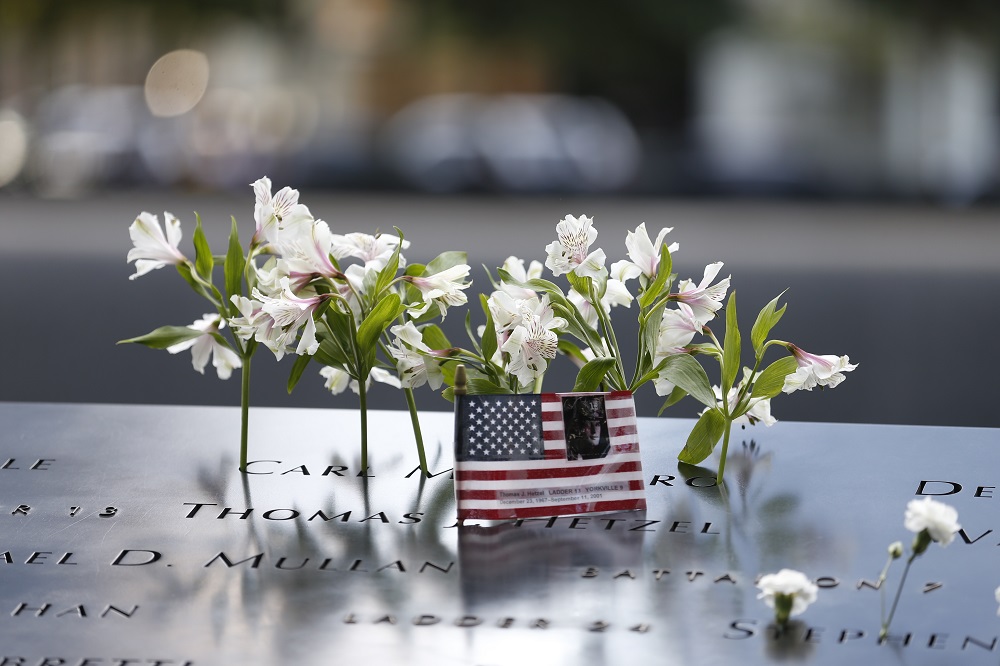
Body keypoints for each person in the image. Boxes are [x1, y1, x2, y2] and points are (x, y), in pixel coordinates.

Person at [564, 396, 610, 460]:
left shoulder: (609, 452)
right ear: (580, 427)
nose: (593, 431)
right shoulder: (572, 453)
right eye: (588, 425)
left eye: (597, 424)